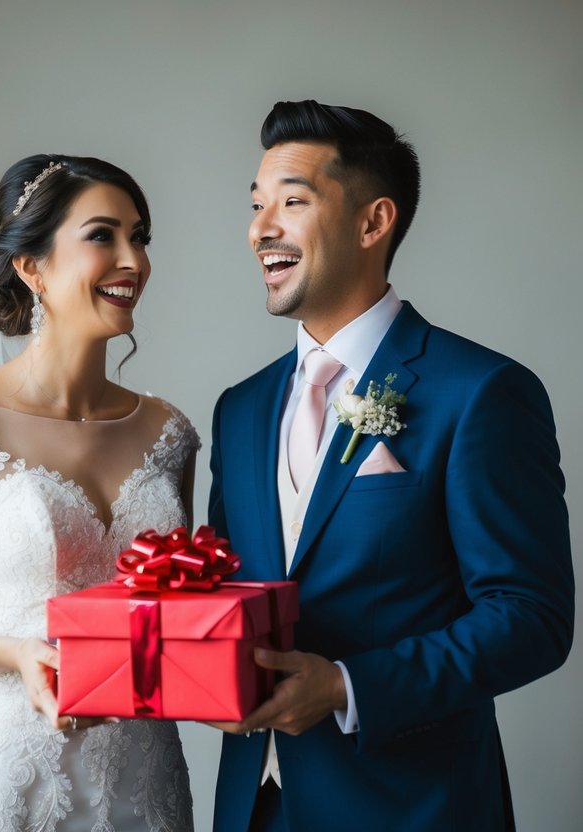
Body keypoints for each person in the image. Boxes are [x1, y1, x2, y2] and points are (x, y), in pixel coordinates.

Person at [205, 100, 574, 831]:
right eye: (254, 205)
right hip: (255, 806)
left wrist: (346, 685)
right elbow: (227, 594)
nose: (260, 229)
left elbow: (531, 617)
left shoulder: (480, 392)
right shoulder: (239, 410)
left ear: (373, 222)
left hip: (411, 807)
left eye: (291, 201)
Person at [0, 154, 197, 831]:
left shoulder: (169, 434)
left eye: (139, 237)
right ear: (32, 268)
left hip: (145, 773)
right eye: (102, 235)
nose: (133, 260)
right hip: (5, 771)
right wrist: (14, 652)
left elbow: (177, 607)